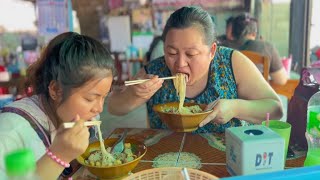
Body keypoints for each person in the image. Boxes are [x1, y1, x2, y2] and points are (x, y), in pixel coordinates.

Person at [107, 6, 283, 133]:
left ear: (212, 51)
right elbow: (114, 108)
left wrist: (236, 107)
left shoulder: (231, 62)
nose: (180, 63)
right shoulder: (155, 70)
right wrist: (134, 95)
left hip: (225, 159)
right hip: (166, 159)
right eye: (171, 52)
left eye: (191, 54)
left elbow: (275, 110)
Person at [0, 32, 116, 179]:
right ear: (56, 90)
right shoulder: (10, 132)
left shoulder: (80, 117)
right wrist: (58, 155)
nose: (99, 108)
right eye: (89, 98)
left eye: (103, 97)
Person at [229, 13, 288, 85]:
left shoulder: (221, 48)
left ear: (232, 33)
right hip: (256, 95)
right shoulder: (266, 47)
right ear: (254, 33)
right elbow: (281, 80)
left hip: (227, 95)